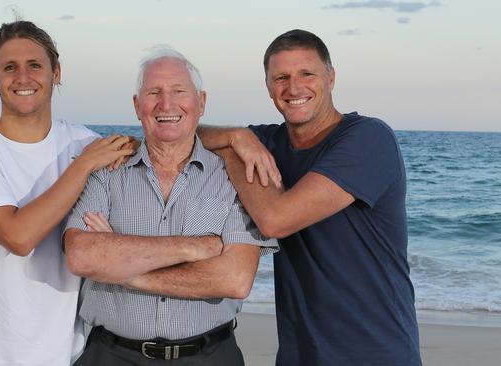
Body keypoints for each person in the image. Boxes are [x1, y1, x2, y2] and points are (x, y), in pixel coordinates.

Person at [198, 29, 422, 365]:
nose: (294, 88)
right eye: (282, 77)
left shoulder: (369, 139)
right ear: (269, 85)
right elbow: (185, 135)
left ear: (331, 78)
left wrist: (233, 150)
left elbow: (276, 219)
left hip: (376, 352)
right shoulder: (266, 142)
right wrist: (236, 136)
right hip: (299, 355)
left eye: (307, 74)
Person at [62, 47, 277, 366]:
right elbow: (82, 255)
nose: (166, 104)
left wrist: (121, 270)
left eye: (179, 91)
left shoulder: (235, 175)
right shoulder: (106, 170)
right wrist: (196, 247)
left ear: (201, 102)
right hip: (111, 355)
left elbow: (234, 279)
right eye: (153, 92)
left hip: (210, 356)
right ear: (137, 106)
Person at [0, 20, 135, 366]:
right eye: (9, 68)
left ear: (56, 73)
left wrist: (233, 138)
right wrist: (83, 165)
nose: (23, 78)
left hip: (63, 355)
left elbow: (163, 146)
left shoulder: (83, 143)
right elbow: (18, 236)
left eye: (35, 65)